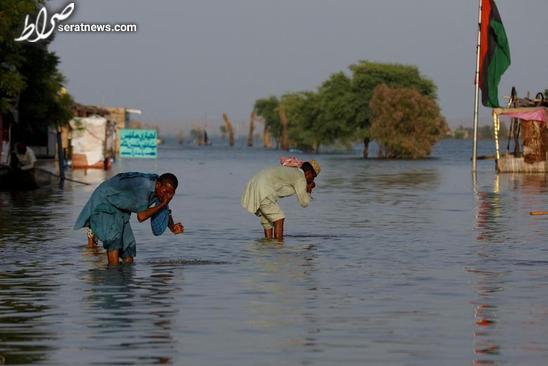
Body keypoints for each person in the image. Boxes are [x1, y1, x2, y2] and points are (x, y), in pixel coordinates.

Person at [74, 172, 184, 265]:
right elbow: (141, 216)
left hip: (121, 210)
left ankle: (125, 284)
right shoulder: (144, 187)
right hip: (105, 204)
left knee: (128, 251)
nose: (167, 196)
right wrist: (163, 204)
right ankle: (113, 277)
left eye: (171, 194)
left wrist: (172, 226)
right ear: (158, 185)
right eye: (165, 192)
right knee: (114, 243)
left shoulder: (160, 189)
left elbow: (164, 209)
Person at [241, 160, 320, 241]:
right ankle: (278, 248)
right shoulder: (300, 177)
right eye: (314, 177)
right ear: (309, 173)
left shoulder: (294, 172)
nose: (313, 180)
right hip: (264, 189)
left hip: (255, 184)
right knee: (279, 218)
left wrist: (306, 187)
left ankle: (268, 249)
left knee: (267, 222)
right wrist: (309, 189)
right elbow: (304, 203)